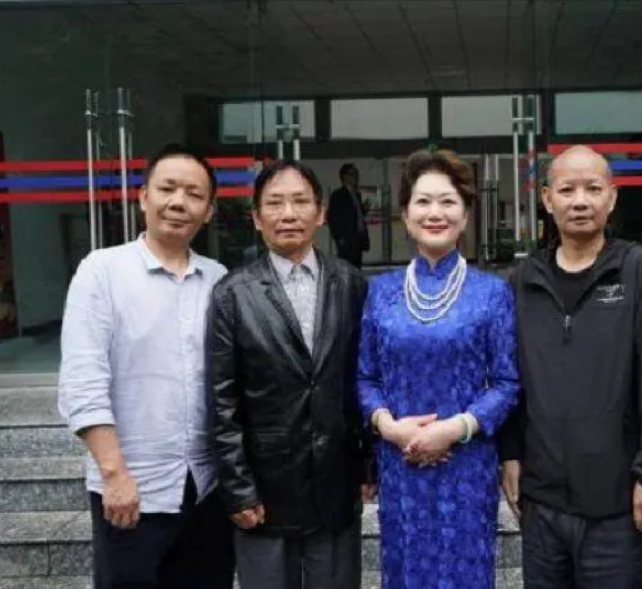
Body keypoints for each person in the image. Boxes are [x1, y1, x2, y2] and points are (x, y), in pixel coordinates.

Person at [498, 145, 642, 589]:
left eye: (593, 189)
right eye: (567, 190)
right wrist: (509, 452)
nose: (580, 201)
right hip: (542, 503)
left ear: (612, 197)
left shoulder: (639, 271)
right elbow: (508, 376)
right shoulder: (524, 281)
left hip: (620, 505)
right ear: (547, 200)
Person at [57, 144, 233, 589]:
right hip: (132, 490)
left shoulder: (219, 279)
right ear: (143, 197)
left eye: (194, 194)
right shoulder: (102, 271)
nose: (178, 202)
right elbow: (83, 381)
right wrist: (114, 474)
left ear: (209, 211)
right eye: (167, 188)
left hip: (206, 488)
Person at [207, 159, 374, 589]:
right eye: (274, 203)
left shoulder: (352, 284)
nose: (288, 213)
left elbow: (363, 380)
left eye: (300, 201)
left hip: (335, 481)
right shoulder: (232, 294)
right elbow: (222, 400)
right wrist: (238, 488)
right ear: (256, 218)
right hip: (266, 487)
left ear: (320, 214)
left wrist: (368, 465)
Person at [358, 148, 519, 588]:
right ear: (405, 215)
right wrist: (391, 429)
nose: (435, 213)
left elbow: (506, 382)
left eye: (448, 202)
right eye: (423, 201)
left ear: (465, 215)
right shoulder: (381, 291)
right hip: (401, 463)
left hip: (466, 464)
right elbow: (366, 376)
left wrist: (453, 429)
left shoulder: (492, 293)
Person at [328, 163, 370, 268]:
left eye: (356, 174)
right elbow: (332, 218)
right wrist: (339, 237)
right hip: (347, 240)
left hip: (358, 238)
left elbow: (354, 215)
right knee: (347, 268)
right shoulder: (338, 195)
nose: (356, 177)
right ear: (345, 177)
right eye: (353, 174)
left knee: (357, 267)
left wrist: (363, 210)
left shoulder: (356, 195)